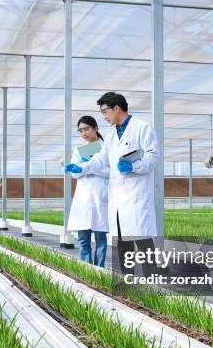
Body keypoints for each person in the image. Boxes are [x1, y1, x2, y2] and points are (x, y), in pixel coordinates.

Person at [64, 92, 161, 275]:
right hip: (117, 201)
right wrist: (81, 168)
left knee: (142, 241)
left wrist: (134, 166)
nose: (104, 116)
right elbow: (100, 160)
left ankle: (151, 282)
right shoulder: (110, 137)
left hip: (136, 197)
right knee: (122, 243)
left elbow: (154, 156)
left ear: (116, 108)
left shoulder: (142, 127)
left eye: (105, 111)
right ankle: (127, 282)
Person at [66, 116, 109, 267]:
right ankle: (86, 269)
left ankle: (99, 270)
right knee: (83, 239)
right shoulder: (79, 150)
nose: (84, 133)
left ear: (95, 128)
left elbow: (112, 172)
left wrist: (91, 167)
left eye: (86, 129)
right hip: (83, 198)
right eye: (80, 131)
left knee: (100, 239)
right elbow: (74, 173)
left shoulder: (106, 147)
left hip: (100, 196)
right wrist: (82, 168)